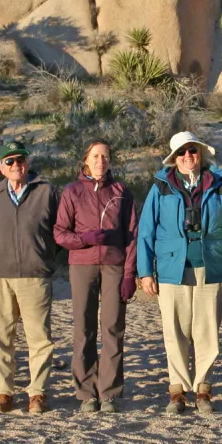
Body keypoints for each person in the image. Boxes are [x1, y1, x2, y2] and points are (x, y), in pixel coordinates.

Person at [137, 131, 222, 415]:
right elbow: (146, 231)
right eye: (182, 153)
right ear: (174, 158)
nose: (188, 157)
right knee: (175, 331)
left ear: (200, 154)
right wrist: (146, 272)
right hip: (173, 268)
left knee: (207, 331)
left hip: (212, 267)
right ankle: (177, 390)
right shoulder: (160, 187)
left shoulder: (219, 185)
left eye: (192, 151)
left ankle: (204, 388)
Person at [54, 140, 138, 413]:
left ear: (111, 161)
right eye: (95, 156)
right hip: (82, 266)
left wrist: (129, 274)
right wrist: (83, 239)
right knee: (84, 328)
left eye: (105, 156)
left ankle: (109, 392)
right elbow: (59, 232)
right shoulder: (72, 191)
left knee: (113, 328)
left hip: (114, 265)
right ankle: (87, 393)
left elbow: (132, 235)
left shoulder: (121, 192)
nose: (100, 160)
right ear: (86, 160)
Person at [0, 139, 59, 415]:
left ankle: (37, 393)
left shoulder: (46, 191)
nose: (17, 165)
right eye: (10, 161)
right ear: (1, 167)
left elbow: (58, 230)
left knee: (39, 338)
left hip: (34, 275)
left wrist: (43, 259)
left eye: (21, 159)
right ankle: (3, 393)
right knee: (0, 337)